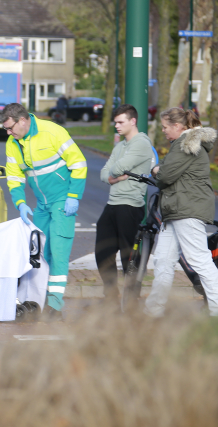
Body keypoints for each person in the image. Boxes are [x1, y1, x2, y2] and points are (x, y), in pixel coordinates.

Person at [1, 103, 87, 320]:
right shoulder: (13, 143)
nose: (8, 133)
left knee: (58, 253)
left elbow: (79, 163)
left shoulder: (52, 132)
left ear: (22, 120)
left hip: (62, 201)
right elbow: (14, 177)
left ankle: (54, 306)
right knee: (40, 254)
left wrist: (73, 196)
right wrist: (20, 202)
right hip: (42, 205)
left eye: (10, 128)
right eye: (6, 129)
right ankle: (40, 300)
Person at [143, 107, 218, 317]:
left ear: (177, 126)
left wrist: (155, 169)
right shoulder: (182, 144)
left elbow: (164, 176)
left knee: (200, 260)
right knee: (163, 260)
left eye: (165, 126)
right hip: (177, 210)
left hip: (186, 209)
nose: (163, 130)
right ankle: (152, 312)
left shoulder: (185, 145)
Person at [96, 104, 156, 306]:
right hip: (113, 203)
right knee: (102, 252)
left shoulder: (142, 144)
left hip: (130, 205)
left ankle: (131, 301)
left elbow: (116, 168)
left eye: (121, 122)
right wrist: (113, 177)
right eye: (115, 122)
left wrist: (114, 174)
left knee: (129, 256)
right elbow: (105, 173)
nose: (117, 126)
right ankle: (111, 297)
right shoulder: (120, 146)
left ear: (133, 121)